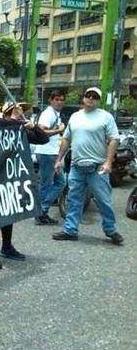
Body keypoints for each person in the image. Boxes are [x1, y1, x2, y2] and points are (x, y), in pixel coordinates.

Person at [0, 102, 49, 269]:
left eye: (22, 112)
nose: (20, 114)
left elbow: (43, 139)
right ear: (5, 115)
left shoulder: (21, 132)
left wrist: (34, 127)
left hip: (11, 180)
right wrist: (9, 121)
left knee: (8, 214)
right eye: (15, 112)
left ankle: (6, 247)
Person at [52, 87, 124, 244]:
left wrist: (108, 162)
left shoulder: (106, 117)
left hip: (98, 167)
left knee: (103, 200)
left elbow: (113, 140)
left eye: (95, 96)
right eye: (88, 95)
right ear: (83, 98)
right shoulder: (75, 117)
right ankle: (70, 230)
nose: (91, 98)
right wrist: (58, 159)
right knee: (74, 199)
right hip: (77, 166)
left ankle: (110, 230)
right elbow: (66, 139)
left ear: (99, 100)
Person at [34, 90, 66, 225]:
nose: (59, 102)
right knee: (47, 184)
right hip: (47, 153)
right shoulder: (48, 114)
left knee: (59, 182)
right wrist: (58, 131)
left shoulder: (55, 114)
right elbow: (40, 131)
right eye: (57, 99)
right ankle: (40, 213)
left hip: (51, 153)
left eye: (61, 100)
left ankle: (43, 210)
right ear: (50, 100)